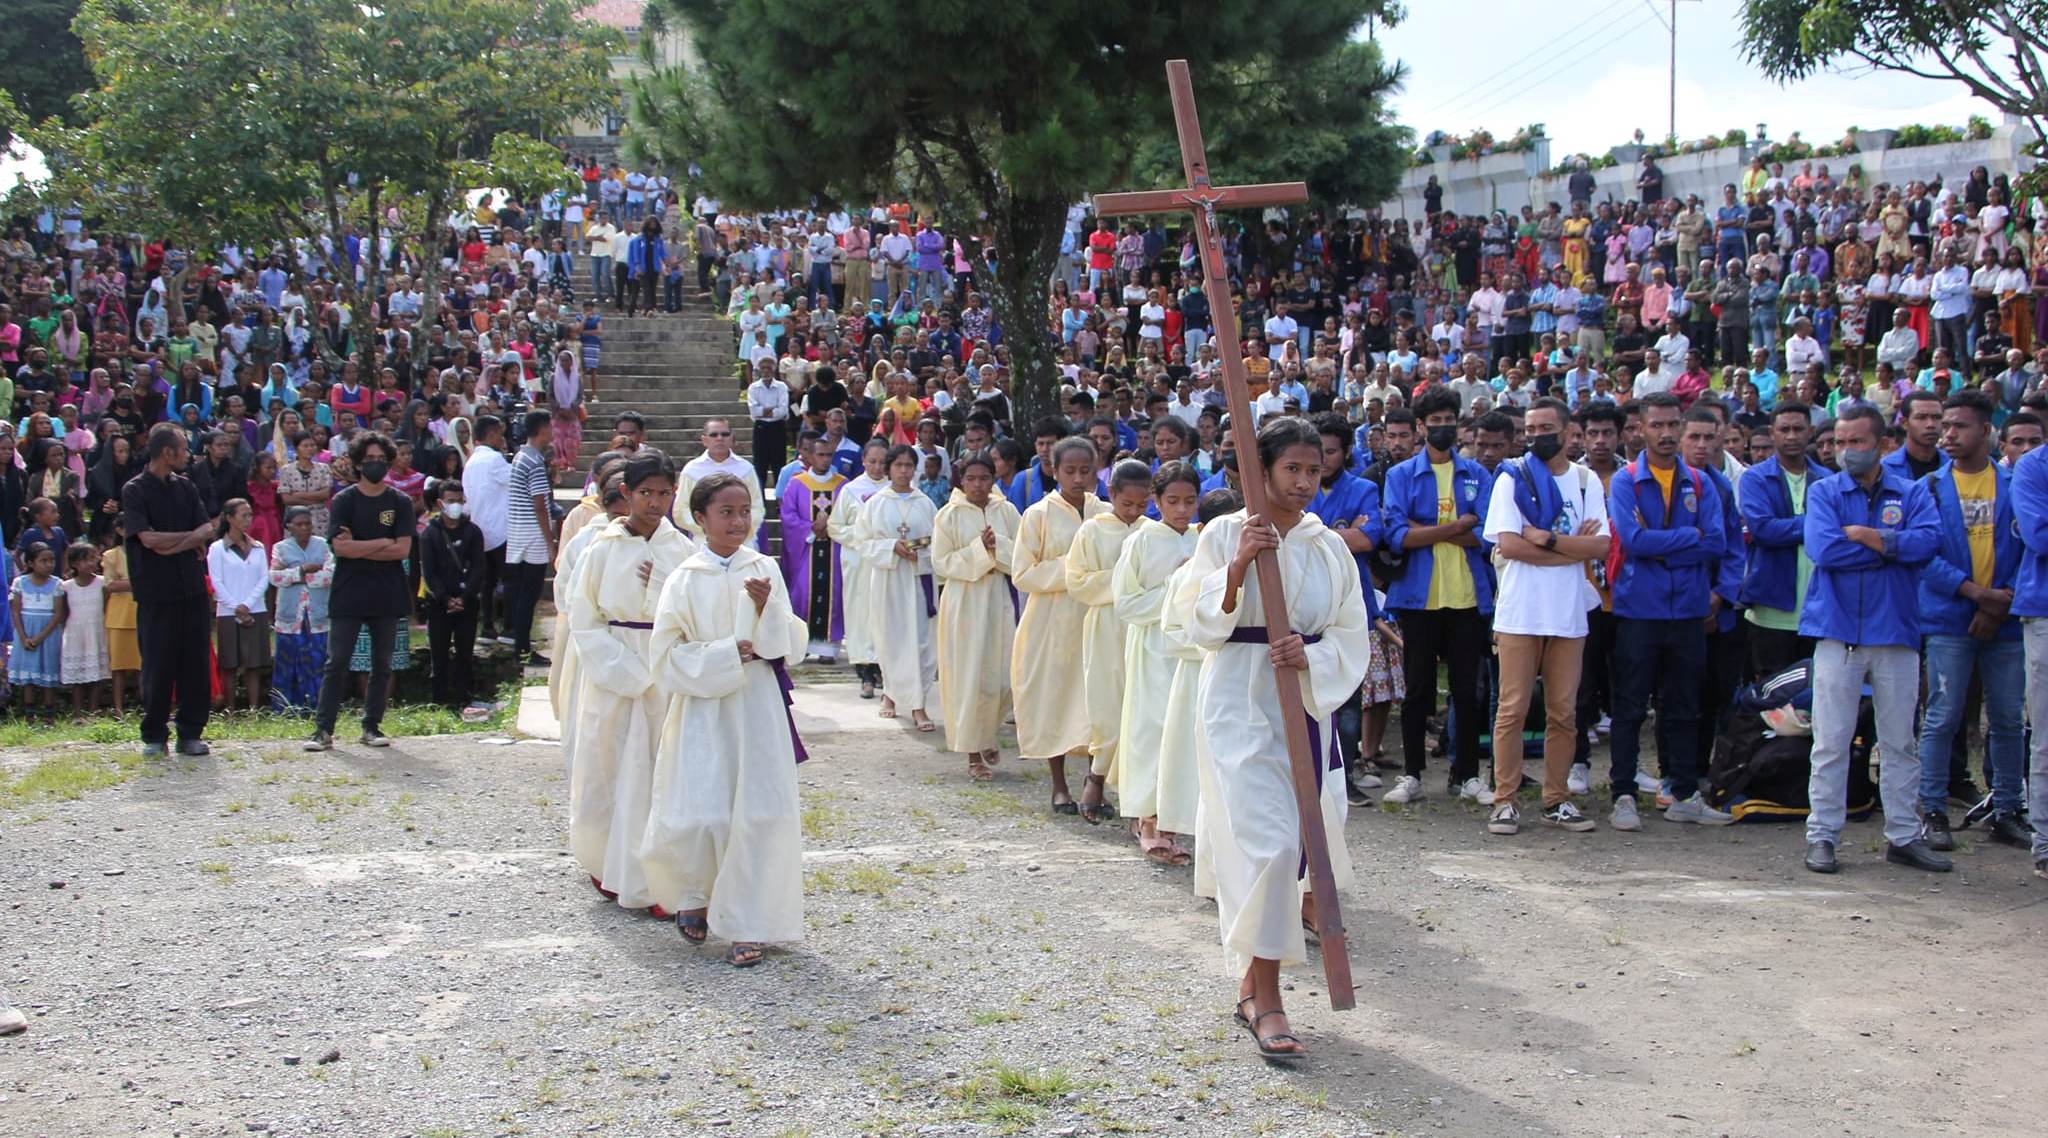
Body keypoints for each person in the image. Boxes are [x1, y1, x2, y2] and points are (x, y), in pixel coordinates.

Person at [1180, 416, 1368, 1063]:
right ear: (1260, 474)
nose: (1305, 482)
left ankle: (1251, 986)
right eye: (1292, 469)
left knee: (1294, 853)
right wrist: (1235, 570)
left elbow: (1351, 632)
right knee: (1267, 844)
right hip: (1238, 699)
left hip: (1301, 703)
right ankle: (1269, 997)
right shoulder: (1224, 533)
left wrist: (1310, 655)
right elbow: (1191, 620)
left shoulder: (1328, 547)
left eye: (1314, 470)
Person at [644, 471, 807, 967]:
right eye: (726, 512)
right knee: (704, 809)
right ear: (699, 519)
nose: (738, 522)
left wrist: (766, 614)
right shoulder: (683, 578)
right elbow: (665, 654)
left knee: (759, 811)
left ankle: (748, 921)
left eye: (744, 511)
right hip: (706, 707)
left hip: (756, 704)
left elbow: (791, 643)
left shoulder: (764, 568)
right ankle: (696, 891)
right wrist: (720, 655)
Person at [1798, 405, 1946, 874]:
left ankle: (1904, 835)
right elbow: (1824, 549)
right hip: (1837, 632)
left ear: (1882, 443)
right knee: (1830, 741)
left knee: (1900, 741)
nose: (1845, 452)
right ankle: (1822, 836)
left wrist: (1870, 537)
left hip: (1896, 632)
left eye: (1856, 442)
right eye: (1839, 442)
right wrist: (1891, 547)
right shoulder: (1824, 492)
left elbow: (1928, 544)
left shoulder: (1913, 491)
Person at [567, 452, 695, 914]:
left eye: (664, 493)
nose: (655, 503)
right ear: (627, 493)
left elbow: (689, 613)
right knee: (611, 768)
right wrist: (625, 671)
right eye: (646, 493)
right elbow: (585, 618)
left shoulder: (680, 550)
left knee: (658, 775)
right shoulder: (602, 547)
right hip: (615, 669)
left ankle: (655, 878)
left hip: (663, 668)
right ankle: (608, 861)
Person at [1604, 393, 1733, 829]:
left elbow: (1716, 542)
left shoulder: (1700, 483)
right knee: (1631, 705)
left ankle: (1682, 792)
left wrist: (1665, 542)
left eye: (1671, 425)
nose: (1665, 434)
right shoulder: (1626, 481)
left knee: (1684, 705)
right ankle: (1622, 791)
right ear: (1640, 428)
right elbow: (1633, 542)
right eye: (1656, 425)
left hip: (1688, 611)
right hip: (1639, 609)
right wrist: (1687, 538)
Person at [1481, 398, 1610, 834]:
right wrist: (1568, 547)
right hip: (1519, 612)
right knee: (1512, 710)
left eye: (1546, 427)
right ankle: (1504, 799)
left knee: (1563, 711)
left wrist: (1547, 540)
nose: (1537, 435)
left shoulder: (1586, 480)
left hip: (1569, 612)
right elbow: (1509, 545)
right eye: (1531, 428)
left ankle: (1557, 798)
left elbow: (1600, 547)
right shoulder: (1511, 477)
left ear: (1567, 430)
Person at [1913, 391, 2029, 850]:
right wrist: (1975, 595)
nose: (1949, 434)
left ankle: (2006, 808)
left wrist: (1999, 602)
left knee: (2004, 718)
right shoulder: (1930, 488)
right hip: (1948, 619)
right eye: (1946, 425)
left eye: (1960, 426)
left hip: (2005, 621)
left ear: (1986, 431)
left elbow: (2028, 549)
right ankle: (1934, 810)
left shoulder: (2014, 484)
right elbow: (1924, 554)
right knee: (1941, 716)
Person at [1379, 387, 1493, 804]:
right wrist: (1454, 528)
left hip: (1466, 599)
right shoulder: (1400, 476)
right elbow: (1396, 535)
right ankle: (1412, 774)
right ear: (1421, 427)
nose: (1443, 428)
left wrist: (1424, 529)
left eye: (1450, 420)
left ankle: (1466, 775)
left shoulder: (1478, 474)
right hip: (1417, 600)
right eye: (1436, 421)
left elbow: (1485, 534)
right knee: (1417, 692)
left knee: (1468, 692)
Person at [1011, 436, 1109, 815]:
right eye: (1070, 471)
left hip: (1094, 617)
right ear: (1053, 470)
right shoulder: (1038, 514)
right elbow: (1023, 572)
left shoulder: (1104, 511)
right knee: (1055, 696)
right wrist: (1073, 569)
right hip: (1052, 621)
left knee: (1094, 698)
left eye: (1086, 470)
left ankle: (1094, 783)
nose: (1078, 478)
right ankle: (1058, 784)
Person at [1111, 461, 1201, 861]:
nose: (1182, 510)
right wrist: (1173, 586)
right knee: (1151, 729)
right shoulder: (1143, 541)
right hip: (1152, 647)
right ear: (1156, 501)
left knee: (1183, 733)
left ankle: (1173, 819)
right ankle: (1147, 819)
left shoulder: (1204, 538)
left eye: (1189, 501)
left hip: (1193, 650)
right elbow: (1126, 602)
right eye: (1172, 501)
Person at [305, 431, 414, 751]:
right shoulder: (344, 500)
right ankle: (323, 730)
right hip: (349, 591)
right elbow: (340, 548)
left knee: (382, 664)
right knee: (336, 662)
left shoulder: (400, 502)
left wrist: (361, 546)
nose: (376, 465)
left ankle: (372, 726)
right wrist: (382, 542)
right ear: (357, 463)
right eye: (369, 460)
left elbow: (402, 550)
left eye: (381, 459)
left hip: (387, 591)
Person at [1063, 459, 1151, 821]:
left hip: (1142, 628)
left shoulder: (1152, 531)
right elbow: (1077, 582)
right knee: (1107, 704)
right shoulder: (1092, 531)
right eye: (1126, 503)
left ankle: (1137, 797)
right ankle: (1096, 775)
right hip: (1105, 625)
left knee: (1141, 707)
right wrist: (1123, 580)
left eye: (1142, 505)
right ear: (1111, 494)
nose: (1133, 512)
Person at [121, 422, 215, 756]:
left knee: (195, 663)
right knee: (158, 665)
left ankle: (190, 732)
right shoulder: (135, 490)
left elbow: (205, 530)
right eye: (183, 448)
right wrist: (188, 540)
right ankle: (154, 735)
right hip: (155, 592)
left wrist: (173, 542)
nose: (188, 454)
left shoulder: (186, 487)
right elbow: (146, 539)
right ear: (166, 451)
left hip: (190, 588)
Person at [930, 453, 1021, 780]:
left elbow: (1023, 557)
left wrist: (999, 548)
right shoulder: (948, 515)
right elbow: (942, 563)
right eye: (972, 479)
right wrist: (980, 550)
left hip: (997, 597)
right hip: (965, 600)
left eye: (985, 478)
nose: (979, 485)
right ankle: (973, 753)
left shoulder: (1006, 511)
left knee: (1001, 675)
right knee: (969, 676)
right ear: (961, 481)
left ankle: (987, 734)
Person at [853, 444, 939, 732]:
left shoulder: (925, 503)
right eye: (898, 465)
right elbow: (863, 542)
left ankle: (918, 705)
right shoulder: (876, 503)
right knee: (890, 638)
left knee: (920, 641)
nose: (903, 471)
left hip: (917, 579)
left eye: (908, 465)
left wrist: (920, 554)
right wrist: (892, 547)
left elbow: (938, 541)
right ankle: (890, 693)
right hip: (889, 580)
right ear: (888, 468)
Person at [1739, 403, 1820, 677]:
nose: (1791, 436)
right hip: (1770, 611)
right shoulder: (1754, 479)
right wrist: (1817, 524)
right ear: (1773, 433)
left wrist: (1790, 527)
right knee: (1773, 702)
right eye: (1784, 429)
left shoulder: (1827, 480)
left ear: (1811, 432)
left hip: (1819, 612)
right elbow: (1764, 530)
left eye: (1798, 429)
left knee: (1815, 700)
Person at [778, 434, 848, 661]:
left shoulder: (843, 485)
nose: (825, 460)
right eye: (820, 454)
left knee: (834, 593)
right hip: (806, 551)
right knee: (803, 592)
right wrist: (811, 528)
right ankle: (803, 644)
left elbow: (850, 515)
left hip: (834, 550)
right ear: (809, 456)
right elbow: (788, 516)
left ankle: (828, 649)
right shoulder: (797, 484)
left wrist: (831, 528)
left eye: (829, 455)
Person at [828, 438, 889, 697]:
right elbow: (834, 526)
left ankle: (883, 665)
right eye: (872, 461)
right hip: (858, 560)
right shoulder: (850, 490)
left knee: (884, 610)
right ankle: (864, 667)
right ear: (863, 460)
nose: (877, 467)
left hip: (886, 561)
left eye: (882, 462)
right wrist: (863, 537)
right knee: (860, 610)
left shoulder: (894, 489)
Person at [419, 479, 486, 711]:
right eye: (450, 501)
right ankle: (438, 701)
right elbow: (429, 572)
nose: (455, 505)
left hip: (467, 603)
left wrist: (464, 597)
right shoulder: (429, 534)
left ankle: (464, 698)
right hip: (439, 604)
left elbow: (478, 568)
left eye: (459, 501)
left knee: (465, 653)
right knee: (438, 655)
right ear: (440, 503)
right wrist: (445, 598)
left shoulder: (473, 532)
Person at [2013, 442, 2048, 879]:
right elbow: (2039, 536)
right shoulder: (2033, 467)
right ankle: (2046, 843)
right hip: (2044, 613)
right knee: (2046, 737)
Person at [504, 410, 557, 667]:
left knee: (522, 595)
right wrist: (550, 541)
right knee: (529, 595)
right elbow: (539, 504)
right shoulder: (534, 462)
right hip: (532, 535)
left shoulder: (520, 456)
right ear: (542, 429)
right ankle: (523, 649)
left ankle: (520, 645)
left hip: (518, 534)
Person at [207, 499, 270, 712]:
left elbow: (263, 578)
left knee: (254, 662)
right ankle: (230, 708)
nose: (248, 520)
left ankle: (253, 707)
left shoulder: (257, 547)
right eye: (243, 515)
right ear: (229, 517)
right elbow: (217, 582)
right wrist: (236, 607)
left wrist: (248, 604)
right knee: (229, 663)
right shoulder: (217, 549)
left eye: (250, 515)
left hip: (255, 609)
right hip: (227, 611)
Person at [268, 506, 332, 714]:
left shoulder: (323, 546)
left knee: (317, 660)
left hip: (317, 614)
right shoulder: (281, 548)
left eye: (308, 523)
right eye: (299, 524)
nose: (305, 528)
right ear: (289, 527)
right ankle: (284, 708)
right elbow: (274, 577)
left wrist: (294, 577)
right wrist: (302, 570)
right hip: (290, 614)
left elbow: (330, 575)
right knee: (287, 660)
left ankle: (316, 706)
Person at [460, 415, 510, 643]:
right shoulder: (495, 460)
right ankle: (510, 627)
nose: (503, 439)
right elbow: (515, 479)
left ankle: (488, 626)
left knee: (487, 583)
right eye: (500, 434)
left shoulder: (471, 461)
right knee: (509, 580)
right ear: (491, 435)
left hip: (480, 530)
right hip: (499, 531)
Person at [677, 417, 764, 543]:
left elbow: (756, 507)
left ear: (732, 438)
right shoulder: (691, 470)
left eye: (725, 434)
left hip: (741, 542)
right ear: (704, 440)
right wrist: (710, 528)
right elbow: (680, 510)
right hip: (703, 542)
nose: (720, 438)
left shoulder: (746, 469)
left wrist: (738, 527)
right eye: (713, 434)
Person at [10, 541, 64, 714]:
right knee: (28, 674)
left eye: (51, 560)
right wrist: (23, 637)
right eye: (44, 561)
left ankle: (49, 714)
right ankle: (29, 714)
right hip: (25, 631)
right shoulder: (20, 582)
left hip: (48, 633)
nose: (49, 565)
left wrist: (41, 636)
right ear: (31, 563)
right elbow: (16, 612)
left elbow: (57, 614)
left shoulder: (57, 583)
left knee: (48, 671)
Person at [57, 543, 106, 718]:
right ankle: (78, 714)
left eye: (94, 558)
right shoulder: (67, 586)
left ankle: (92, 711)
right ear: (75, 564)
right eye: (86, 559)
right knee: (77, 677)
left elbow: (106, 607)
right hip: (75, 634)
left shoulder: (102, 583)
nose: (91, 563)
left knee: (97, 675)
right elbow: (63, 613)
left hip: (97, 631)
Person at [100, 516, 139, 715]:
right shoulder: (111, 555)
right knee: (118, 666)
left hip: (142, 611)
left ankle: (146, 704)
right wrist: (139, 582)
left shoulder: (145, 552)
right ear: (120, 530)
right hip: (119, 615)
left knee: (145, 663)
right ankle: (118, 707)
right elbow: (110, 585)